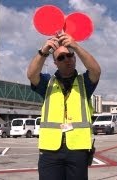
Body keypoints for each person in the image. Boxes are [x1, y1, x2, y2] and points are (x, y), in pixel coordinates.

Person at [27, 32, 101, 180]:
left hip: (78, 149)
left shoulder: (84, 82)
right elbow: (31, 74)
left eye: (70, 55)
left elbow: (96, 70)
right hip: (50, 150)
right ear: (55, 63)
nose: (67, 59)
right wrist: (43, 52)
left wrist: (75, 46)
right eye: (61, 57)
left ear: (74, 57)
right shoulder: (46, 83)